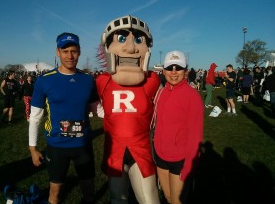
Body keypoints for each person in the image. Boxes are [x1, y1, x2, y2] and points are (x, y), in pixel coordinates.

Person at [96, 15, 161, 204]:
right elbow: (95, 104)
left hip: (141, 150)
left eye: (139, 40)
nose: (131, 48)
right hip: (115, 151)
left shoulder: (151, 82)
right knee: (117, 199)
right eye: (122, 39)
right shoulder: (102, 81)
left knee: (150, 200)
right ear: (107, 47)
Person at [28, 32, 98, 204]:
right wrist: (33, 148)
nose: (70, 55)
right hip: (57, 147)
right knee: (55, 193)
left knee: (89, 192)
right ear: (57, 52)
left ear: (79, 52)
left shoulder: (87, 79)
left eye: (73, 51)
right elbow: (35, 117)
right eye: (65, 51)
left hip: (83, 146)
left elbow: (97, 109)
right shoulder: (44, 80)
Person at [153, 51, 203, 204]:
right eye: (170, 67)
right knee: (167, 197)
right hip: (160, 156)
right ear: (164, 71)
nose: (174, 72)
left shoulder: (193, 96)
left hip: (180, 159)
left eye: (178, 67)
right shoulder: (161, 92)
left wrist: (189, 166)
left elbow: (196, 136)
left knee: (177, 201)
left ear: (185, 71)